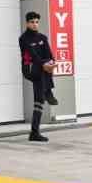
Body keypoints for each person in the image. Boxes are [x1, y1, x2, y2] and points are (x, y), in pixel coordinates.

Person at [19, 11, 59, 142]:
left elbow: (49, 54)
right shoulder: (23, 38)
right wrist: (45, 64)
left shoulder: (43, 37)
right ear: (27, 23)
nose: (35, 24)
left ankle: (34, 132)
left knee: (39, 101)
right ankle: (48, 91)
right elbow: (33, 55)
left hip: (42, 70)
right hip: (30, 68)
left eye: (36, 22)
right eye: (32, 22)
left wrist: (52, 62)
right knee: (42, 68)